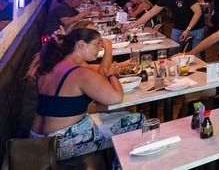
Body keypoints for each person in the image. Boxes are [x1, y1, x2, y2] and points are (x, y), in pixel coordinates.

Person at [28, 28, 144, 161]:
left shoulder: (47, 69)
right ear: (82, 44)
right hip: (62, 143)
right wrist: (112, 74)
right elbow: (116, 98)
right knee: (138, 121)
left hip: (37, 139)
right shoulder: (79, 73)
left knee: (124, 116)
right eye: (97, 44)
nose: (100, 49)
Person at [125, 0, 205, 54]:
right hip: (178, 27)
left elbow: (198, 12)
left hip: (195, 28)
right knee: (173, 52)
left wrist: (188, 29)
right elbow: (151, 13)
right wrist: (132, 26)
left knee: (194, 53)